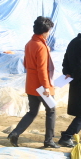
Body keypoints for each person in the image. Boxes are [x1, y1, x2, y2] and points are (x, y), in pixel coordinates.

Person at [8, 17, 58, 148]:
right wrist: (46, 86)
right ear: (45, 31)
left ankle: (15, 132)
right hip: (42, 86)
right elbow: (42, 69)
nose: (49, 33)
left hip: (31, 85)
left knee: (32, 112)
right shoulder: (41, 46)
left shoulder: (29, 43)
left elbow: (26, 63)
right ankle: (49, 140)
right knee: (51, 111)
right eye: (49, 31)